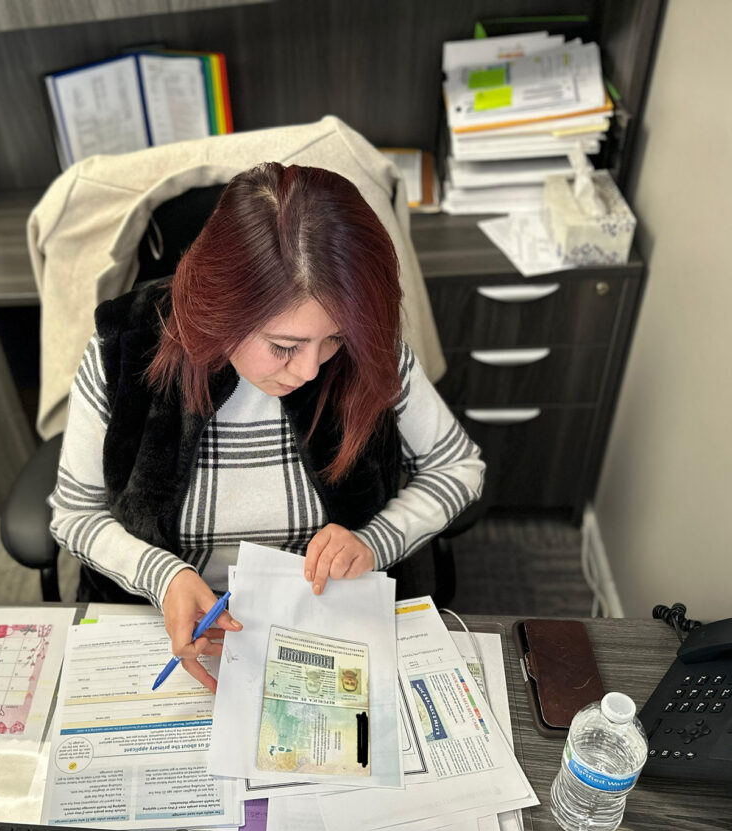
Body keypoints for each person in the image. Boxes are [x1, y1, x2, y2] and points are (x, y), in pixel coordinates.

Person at [50, 162, 485, 691]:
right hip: (164, 619)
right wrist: (163, 576)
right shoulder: (125, 346)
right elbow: (74, 514)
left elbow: (459, 467)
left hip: (323, 618)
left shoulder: (366, 343)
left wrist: (374, 541)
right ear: (219, 311)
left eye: (333, 340)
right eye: (283, 346)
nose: (311, 371)